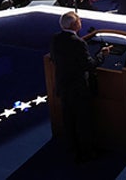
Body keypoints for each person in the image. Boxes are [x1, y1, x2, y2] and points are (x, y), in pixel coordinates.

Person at [50, 12, 103, 162]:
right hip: (79, 89)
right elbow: (89, 65)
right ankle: (87, 152)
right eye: (79, 20)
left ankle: (72, 150)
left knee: (69, 120)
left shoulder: (55, 39)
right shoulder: (78, 43)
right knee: (83, 122)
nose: (81, 21)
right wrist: (101, 55)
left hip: (63, 86)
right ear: (75, 25)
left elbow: (54, 59)